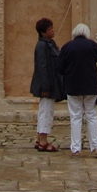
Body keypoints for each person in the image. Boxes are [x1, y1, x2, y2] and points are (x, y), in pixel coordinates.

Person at [57, 23, 97, 158]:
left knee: (75, 117)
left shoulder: (67, 47)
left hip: (73, 86)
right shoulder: (92, 45)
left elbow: (59, 67)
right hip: (90, 85)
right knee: (91, 115)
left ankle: (76, 148)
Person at [30, 17, 64, 152]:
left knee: (46, 110)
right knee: (46, 111)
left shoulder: (50, 43)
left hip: (51, 82)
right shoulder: (42, 45)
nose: (53, 31)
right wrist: (45, 86)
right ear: (43, 32)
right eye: (50, 29)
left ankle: (40, 138)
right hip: (47, 84)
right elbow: (42, 66)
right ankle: (43, 140)